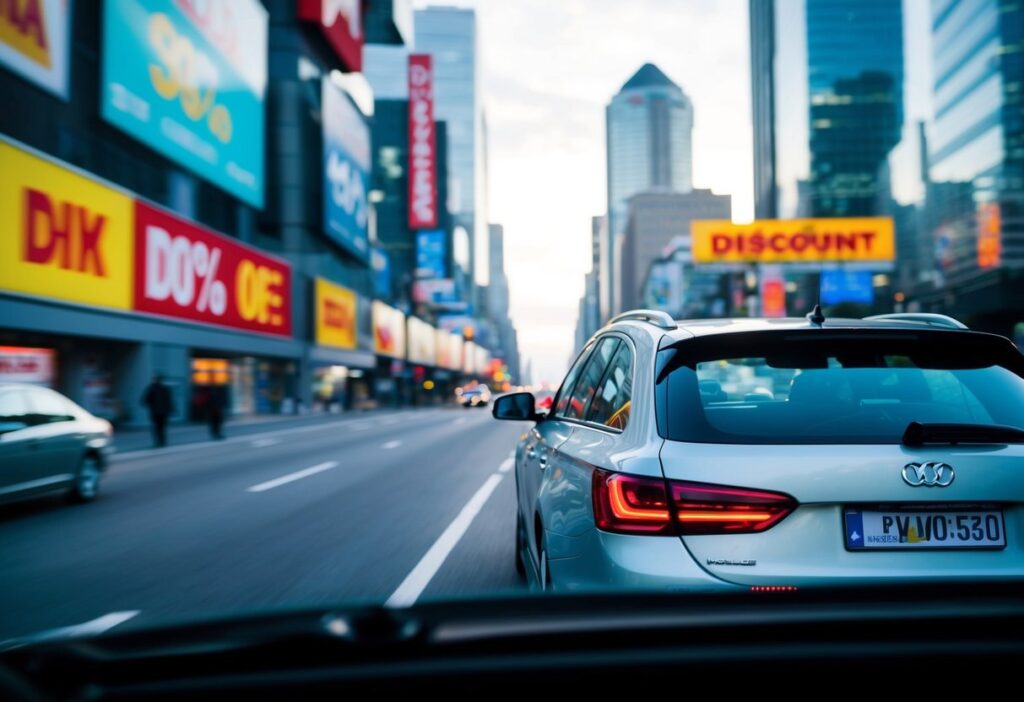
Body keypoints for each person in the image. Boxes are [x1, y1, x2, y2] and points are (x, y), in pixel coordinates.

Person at [141, 374, 173, 447]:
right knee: (162, 427)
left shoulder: (152, 388)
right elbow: (169, 400)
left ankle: (158, 442)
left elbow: (145, 400)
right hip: (163, 412)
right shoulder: (165, 388)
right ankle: (162, 441)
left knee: (156, 427)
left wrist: (149, 405)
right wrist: (170, 409)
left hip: (155, 411)